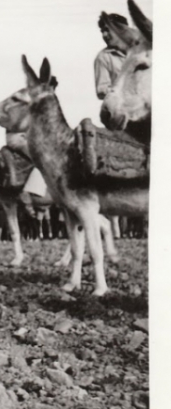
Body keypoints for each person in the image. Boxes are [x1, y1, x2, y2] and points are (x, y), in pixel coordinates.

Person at [95, 12, 132, 239]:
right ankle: (116, 224)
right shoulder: (104, 57)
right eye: (102, 31)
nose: (105, 35)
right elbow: (101, 89)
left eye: (108, 29)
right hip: (120, 111)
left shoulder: (142, 51)